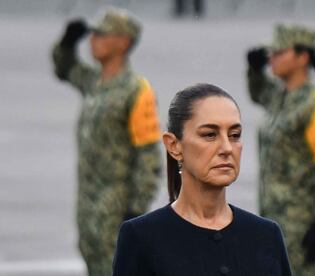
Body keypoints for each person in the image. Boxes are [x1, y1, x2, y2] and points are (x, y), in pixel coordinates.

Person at [113, 83, 292, 276]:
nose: (226, 148)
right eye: (209, 135)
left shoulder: (266, 236)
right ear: (174, 145)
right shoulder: (142, 237)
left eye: (234, 135)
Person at [51, 8, 162, 276]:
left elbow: (149, 157)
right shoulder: (95, 82)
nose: (93, 40)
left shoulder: (136, 90)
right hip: (88, 204)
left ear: (123, 42)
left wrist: (135, 211)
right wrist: (67, 42)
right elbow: (64, 68)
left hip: (115, 207)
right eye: (92, 35)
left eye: (101, 35)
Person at [246, 24, 315, 276]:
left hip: (304, 226)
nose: (273, 59)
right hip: (276, 223)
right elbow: (259, 93)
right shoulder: (282, 98)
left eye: (280, 53)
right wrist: (254, 70)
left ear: (303, 57)